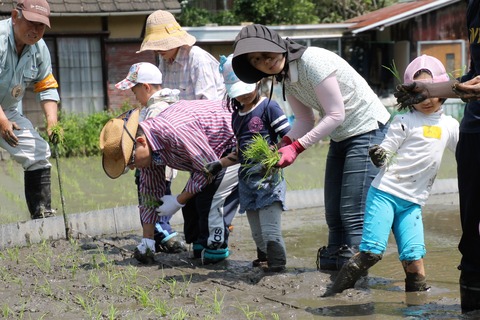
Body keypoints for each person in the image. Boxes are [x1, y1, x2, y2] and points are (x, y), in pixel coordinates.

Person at [231, 24, 390, 270]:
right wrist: (282, 144)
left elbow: (336, 113)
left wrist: (296, 148)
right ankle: (332, 264)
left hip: (367, 128)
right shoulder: (287, 79)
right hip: (340, 135)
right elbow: (306, 120)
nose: (266, 61)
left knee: (352, 212)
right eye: (257, 60)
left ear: (277, 45)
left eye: (266, 53)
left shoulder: (312, 60)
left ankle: (355, 275)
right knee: (333, 213)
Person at [324, 55, 459, 296]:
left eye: (430, 92)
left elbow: (466, 154)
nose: (425, 100)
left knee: (414, 256)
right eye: (418, 95)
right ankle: (333, 295)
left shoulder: (450, 126)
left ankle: (417, 306)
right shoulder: (404, 121)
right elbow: (386, 149)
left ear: (442, 91)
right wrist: (379, 155)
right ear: (409, 96)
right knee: (372, 252)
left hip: (413, 203)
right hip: (385, 194)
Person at [394, 0, 480, 313]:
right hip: (474, 129)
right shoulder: (472, 7)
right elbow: (474, 75)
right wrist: (429, 90)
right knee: (471, 236)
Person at [99, 100, 239, 265]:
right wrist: (148, 240)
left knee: (206, 200)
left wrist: (179, 200)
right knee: (191, 206)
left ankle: (217, 249)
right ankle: (201, 245)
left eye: (131, 161)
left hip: (234, 145)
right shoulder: (150, 148)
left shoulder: (175, 132)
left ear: (141, 142)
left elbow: (208, 169)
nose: (131, 168)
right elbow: (149, 192)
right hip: (209, 157)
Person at [211, 54, 291, 272]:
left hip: (268, 180)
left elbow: (288, 138)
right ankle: (264, 260)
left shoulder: (269, 108)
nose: (243, 96)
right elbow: (240, 151)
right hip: (247, 182)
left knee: (270, 231)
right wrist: (219, 164)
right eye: (237, 93)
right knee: (257, 233)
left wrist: (274, 157)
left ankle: (277, 268)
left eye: (245, 89)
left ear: (256, 81)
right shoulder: (236, 116)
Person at [114, 62, 186, 254]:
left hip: (154, 166)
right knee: (159, 200)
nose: (134, 95)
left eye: (135, 90)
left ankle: (164, 237)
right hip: (164, 166)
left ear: (146, 87)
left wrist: (132, 159)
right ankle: (162, 236)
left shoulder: (156, 110)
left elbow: (150, 143)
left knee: (151, 202)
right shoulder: (168, 103)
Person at [0, 0, 60, 220]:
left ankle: (42, 214)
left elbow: (46, 85)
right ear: (15, 16)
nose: (35, 31)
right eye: (31, 23)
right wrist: (2, 121)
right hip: (3, 116)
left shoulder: (38, 48)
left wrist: (52, 122)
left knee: (38, 152)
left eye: (41, 26)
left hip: (8, 110)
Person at [137, 10, 225, 101]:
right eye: (156, 45)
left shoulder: (196, 57)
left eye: (162, 45)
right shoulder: (164, 60)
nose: (159, 50)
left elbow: (208, 102)